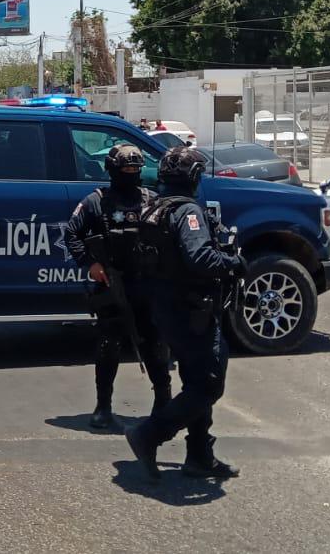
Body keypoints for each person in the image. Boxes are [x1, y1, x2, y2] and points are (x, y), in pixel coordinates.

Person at [124, 144, 246, 483]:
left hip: (170, 309)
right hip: (192, 310)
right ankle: (149, 435)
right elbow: (201, 259)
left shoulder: (157, 206)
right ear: (192, 178)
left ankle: (199, 456)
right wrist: (234, 263)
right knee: (207, 386)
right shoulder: (187, 212)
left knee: (195, 382)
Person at [65, 144, 171, 431]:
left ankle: (164, 403)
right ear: (112, 170)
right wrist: (90, 263)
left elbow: (168, 236)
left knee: (155, 345)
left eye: (135, 170)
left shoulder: (152, 200)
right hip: (112, 283)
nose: (131, 175)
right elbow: (72, 233)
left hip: (147, 285)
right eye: (126, 170)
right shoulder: (95, 202)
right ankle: (103, 407)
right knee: (108, 346)